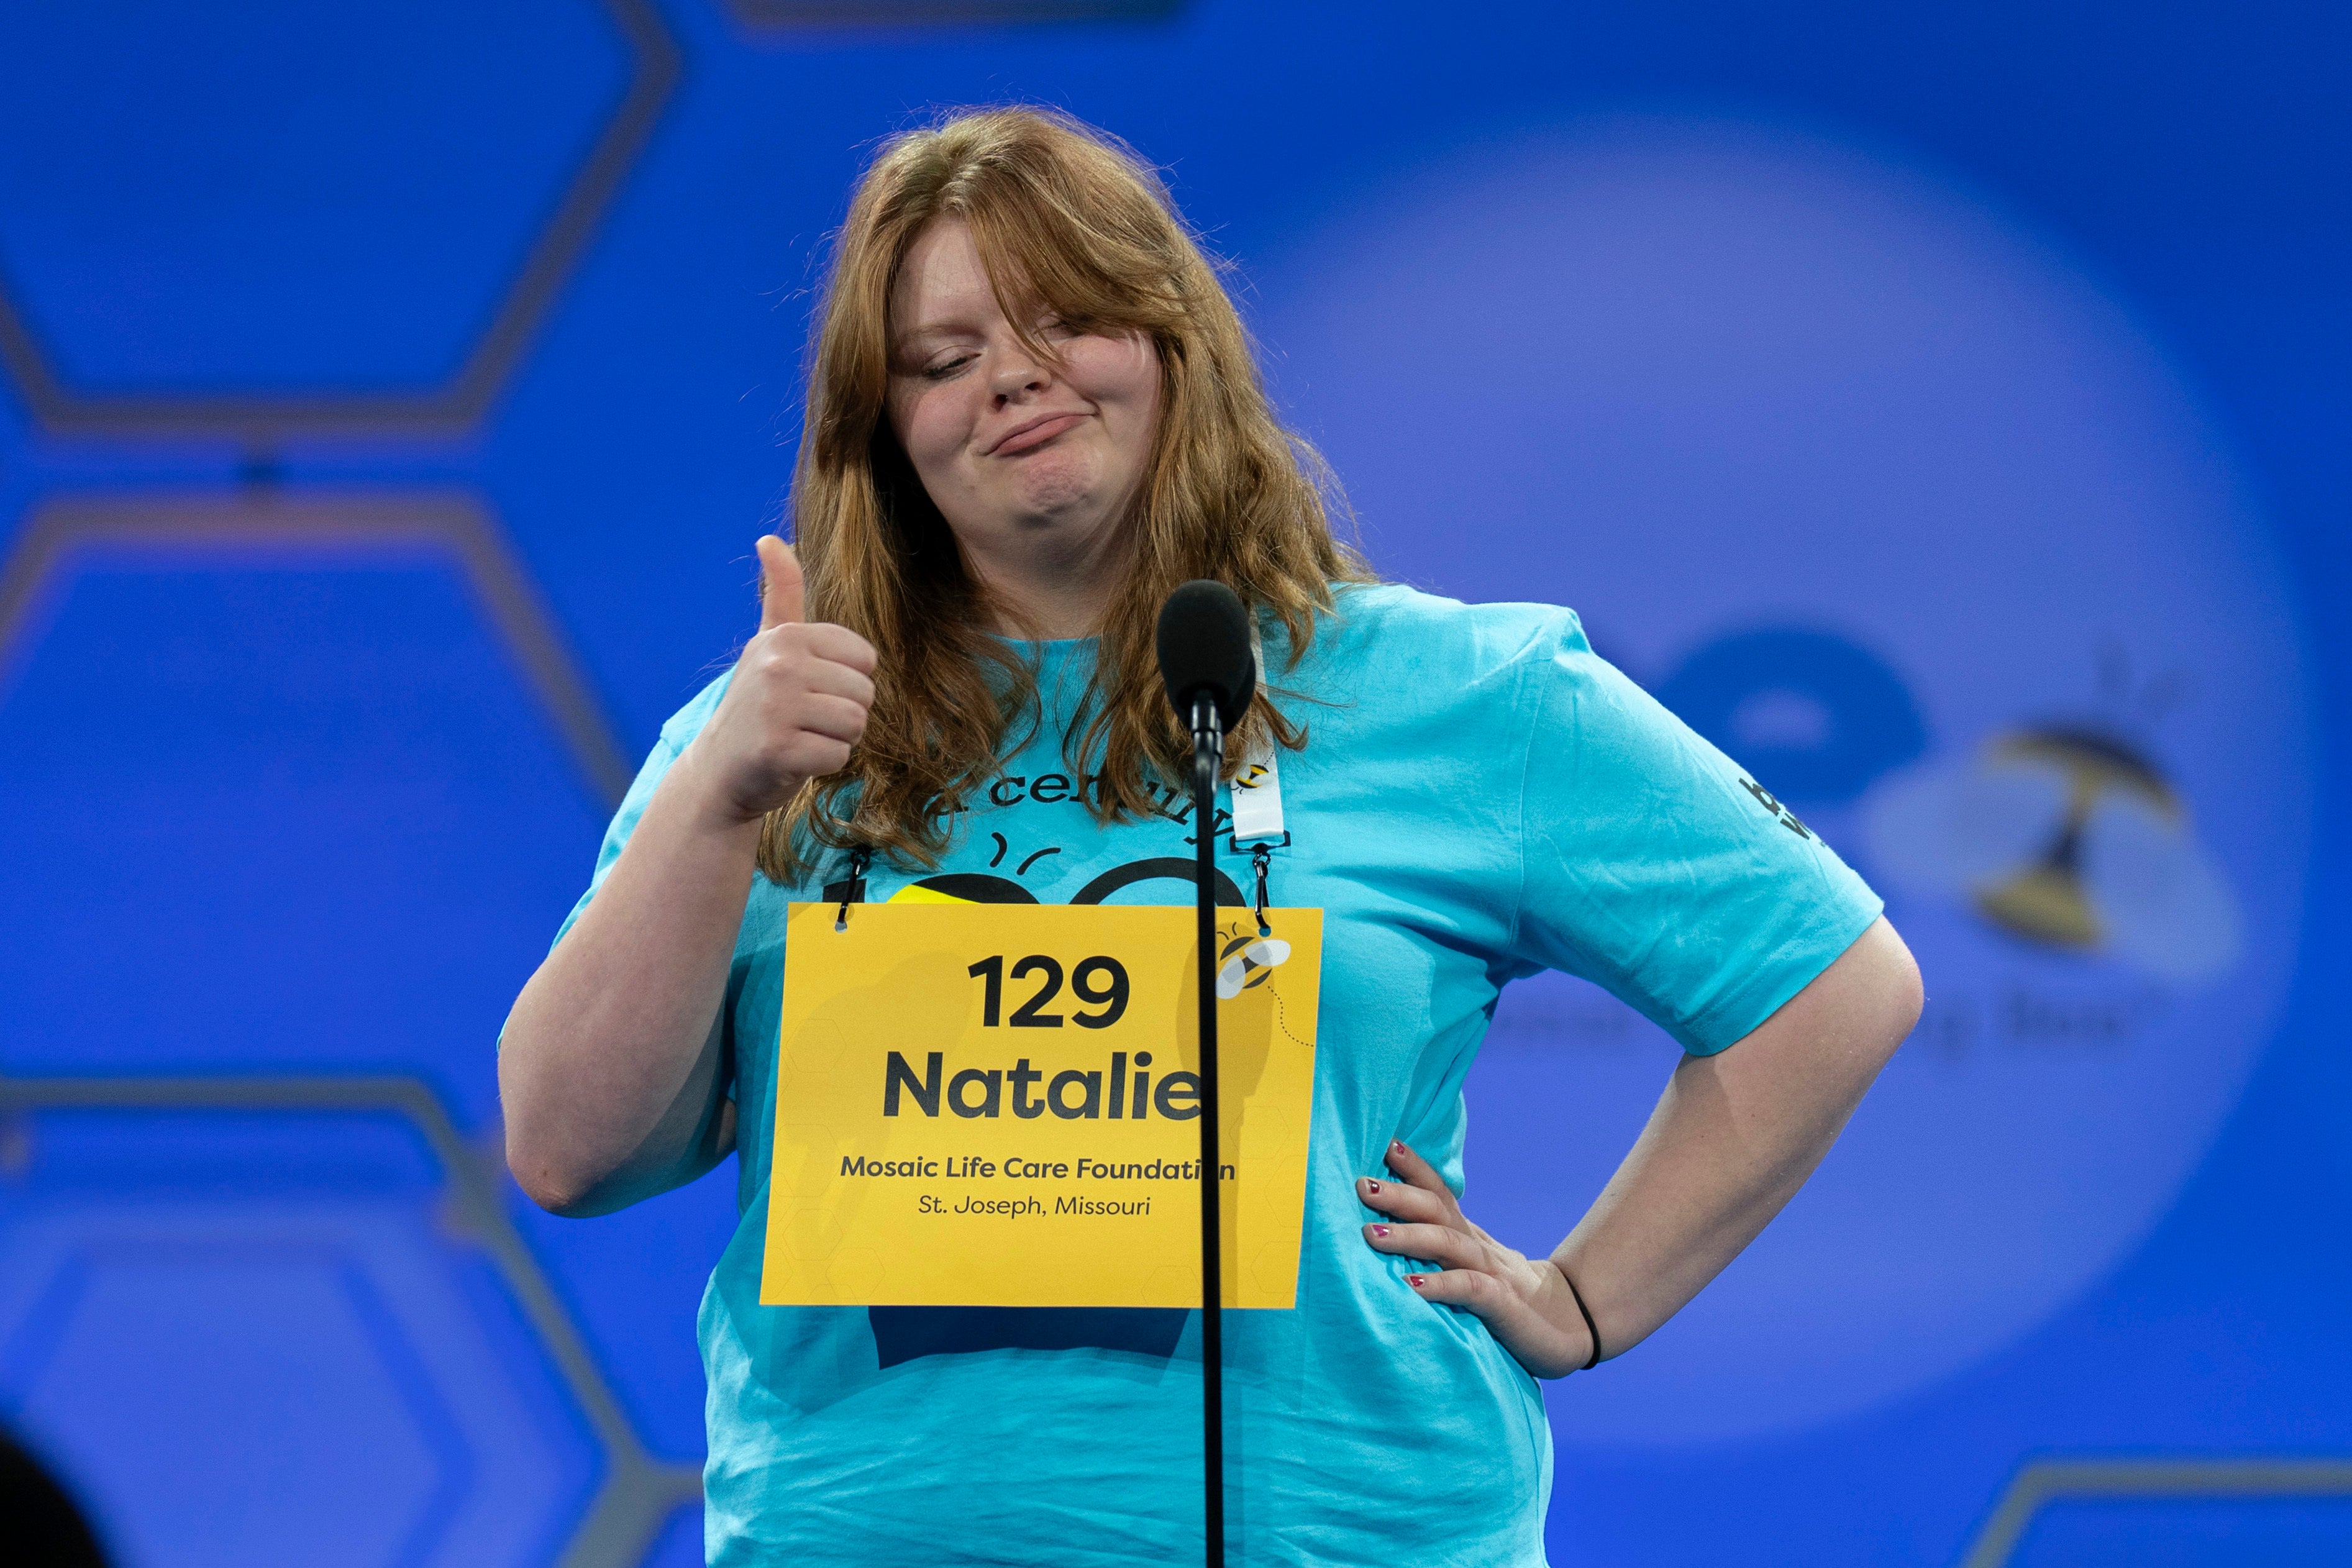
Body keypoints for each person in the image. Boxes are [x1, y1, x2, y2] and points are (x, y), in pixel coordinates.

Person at [499, 106, 1922, 1566]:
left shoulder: (1464, 693)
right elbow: (566, 1150)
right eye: (942, 359)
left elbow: (1835, 981)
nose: (1013, 378)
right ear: (885, 430)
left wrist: (1584, 1295)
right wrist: (725, 794)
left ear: (1174, 337)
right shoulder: (770, 735)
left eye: (1066, 316)